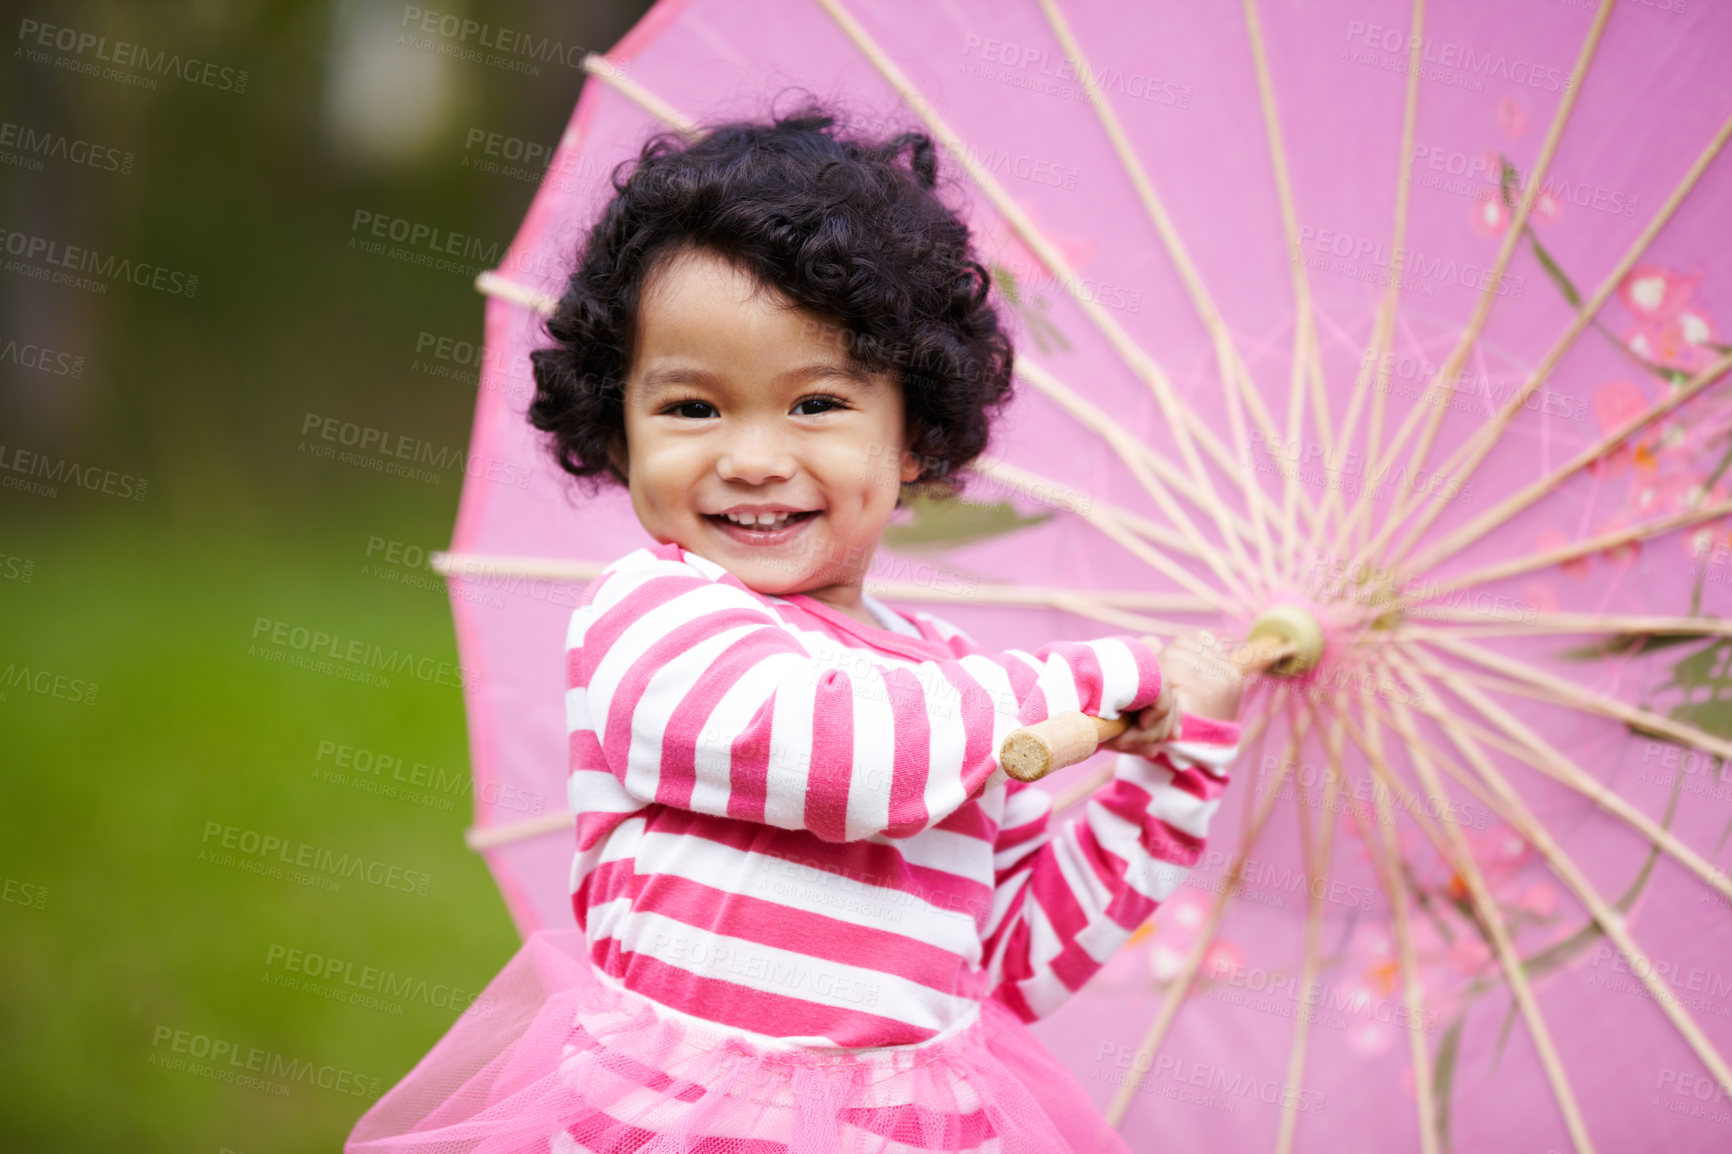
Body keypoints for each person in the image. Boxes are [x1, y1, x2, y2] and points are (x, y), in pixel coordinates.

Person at [348, 104, 1244, 1154]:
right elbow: (850, 764)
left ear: (911, 432)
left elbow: (1010, 960)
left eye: (816, 403)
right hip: (684, 1124)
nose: (754, 457)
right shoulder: (654, 620)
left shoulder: (953, 685)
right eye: (692, 408)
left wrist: (1178, 765)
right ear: (618, 421)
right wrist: (1113, 669)